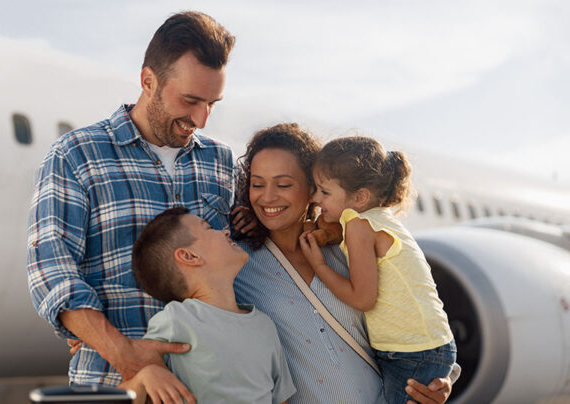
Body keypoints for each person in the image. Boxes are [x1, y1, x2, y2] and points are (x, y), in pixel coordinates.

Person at [26, 11, 236, 387]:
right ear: (148, 81)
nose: (202, 119)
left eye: (212, 103)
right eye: (190, 100)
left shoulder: (219, 162)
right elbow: (51, 270)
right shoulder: (77, 154)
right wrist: (123, 353)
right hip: (113, 383)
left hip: (209, 389)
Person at [232, 123, 459, 403]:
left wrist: (440, 382)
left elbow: (416, 317)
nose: (267, 197)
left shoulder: (349, 250)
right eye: (257, 184)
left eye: (283, 184)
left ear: (312, 189)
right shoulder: (238, 266)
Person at [299, 136, 456, 404]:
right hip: (424, 346)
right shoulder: (378, 220)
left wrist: (319, 266)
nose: (314, 198)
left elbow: (363, 298)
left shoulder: (359, 227)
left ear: (360, 197)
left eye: (324, 192)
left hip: (412, 351)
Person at [125, 207, 295, 404]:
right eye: (208, 228)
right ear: (190, 256)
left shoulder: (265, 325)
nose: (225, 231)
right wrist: (144, 378)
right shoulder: (175, 320)